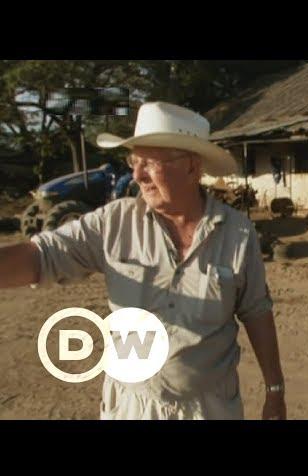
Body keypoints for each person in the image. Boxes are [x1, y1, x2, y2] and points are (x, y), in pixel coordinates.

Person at [0, 101, 286, 420]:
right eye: (133, 161)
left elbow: (256, 311)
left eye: (149, 162)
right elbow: (43, 255)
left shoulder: (238, 233)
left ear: (192, 167)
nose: (136, 175)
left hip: (209, 409)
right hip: (131, 407)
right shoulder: (114, 223)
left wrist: (275, 389)